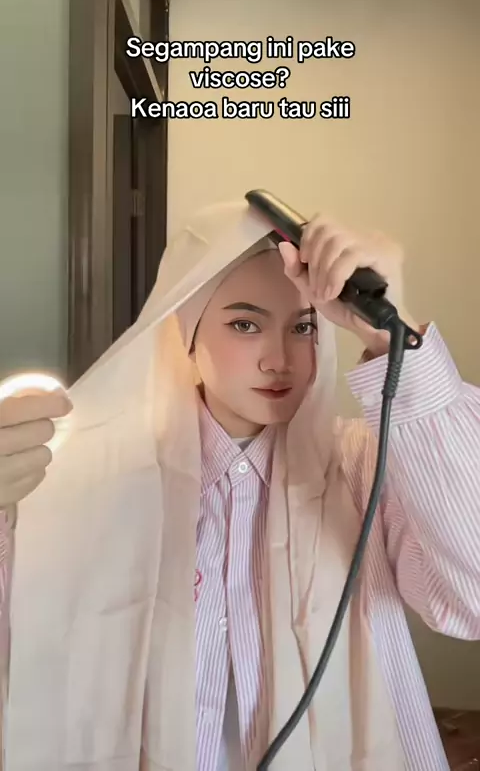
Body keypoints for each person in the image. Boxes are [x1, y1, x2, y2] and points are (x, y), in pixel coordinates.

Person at [0, 199, 479, 771]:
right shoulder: (98, 485)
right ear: (187, 335)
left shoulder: (364, 467)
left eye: (303, 327)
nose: (280, 360)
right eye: (245, 324)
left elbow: (470, 601)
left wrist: (393, 333)